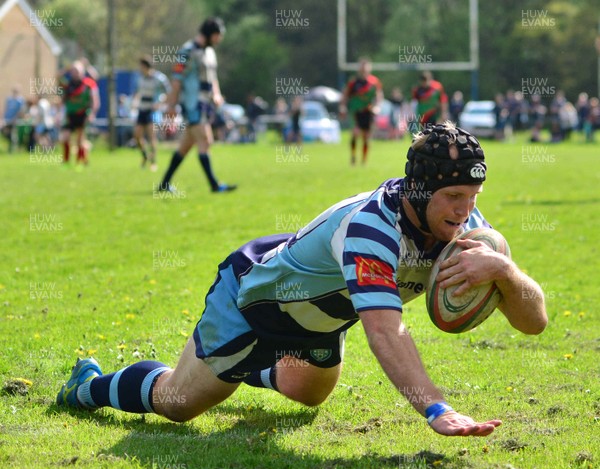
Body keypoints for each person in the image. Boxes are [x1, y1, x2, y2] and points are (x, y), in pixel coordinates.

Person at [57, 122, 548, 437]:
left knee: (309, 395)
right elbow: (385, 330)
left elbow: (535, 323)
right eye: (455, 196)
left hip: (318, 319)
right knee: (178, 404)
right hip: (255, 302)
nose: (465, 212)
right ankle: (89, 386)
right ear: (419, 190)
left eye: (473, 195)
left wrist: (506, 271)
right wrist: (436, 408)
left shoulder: (466, 226)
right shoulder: (371, 229)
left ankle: (248, 370)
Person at [157, 17, 236, 193]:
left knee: (186, 146)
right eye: (218, 35)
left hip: (206, 106)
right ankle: (215, 186)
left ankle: (164, 184)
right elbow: (176, 81)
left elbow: (213, 78)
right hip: (193, 105)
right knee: (206, 140)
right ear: (210, 34)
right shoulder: (187, 51)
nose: (219, 39)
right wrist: (171, 107)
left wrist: (216, 94)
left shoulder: (209, 52)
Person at [339, 58, 383, 165]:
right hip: (356, 112)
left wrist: (377, 106)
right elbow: (345, 95)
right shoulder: (353, 83)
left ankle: (364, 161)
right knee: (355, 133)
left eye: (366, 66)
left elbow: (379, 95)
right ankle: (353, 157)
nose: (364, 69)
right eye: (362, 66)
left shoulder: (374, 82)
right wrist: (343, 107)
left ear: (369, 68)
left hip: (368, 112)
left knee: (366, 137)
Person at [58, 61, 100, 167]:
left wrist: (92, 114)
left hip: (82, 114)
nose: (74, 73)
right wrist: (67, 68)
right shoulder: (68, 84)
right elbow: (57, 77)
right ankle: (66, 161)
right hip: (70, 114)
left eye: (77, 71)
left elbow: (95, 100)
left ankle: (80, 162)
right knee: (65, 137)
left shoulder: (88, 84)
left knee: (80, 140)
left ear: (82, 72)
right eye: (73, 71)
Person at [133, 56, 171, 171]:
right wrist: (134, 102)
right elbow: (137, 93)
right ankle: (145, 156)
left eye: (141, 66)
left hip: (152, 111)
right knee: (137, 136)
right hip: (142, 109)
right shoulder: (140, 79)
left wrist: (159, 103)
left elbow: (168, 92)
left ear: (146, 66)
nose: (140, 68)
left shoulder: (159, 78)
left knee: (151, 136)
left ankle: (153, 162)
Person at [2, 86, 25, 152]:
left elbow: (20, 111)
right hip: (7, 119)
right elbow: (6, 108)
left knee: (13, 134)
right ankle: (11, 145)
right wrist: (3, 117)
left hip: (15, 120)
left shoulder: (20, 100)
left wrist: (15, 118)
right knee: (5, 132)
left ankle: (12, 148)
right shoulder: (9, 99)